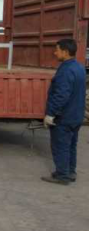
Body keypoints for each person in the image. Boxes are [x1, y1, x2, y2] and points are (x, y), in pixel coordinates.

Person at [41, 39, 86, 185]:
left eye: (57, 50)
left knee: (60, 146)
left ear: (65, 52)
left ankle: (62, 175)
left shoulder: (65, 70)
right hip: (76, 116)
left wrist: (50, 114)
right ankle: (70, 172)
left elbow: (61, 95)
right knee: (71, 145)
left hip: (64, 117)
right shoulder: (79, 67)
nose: (55, 53)